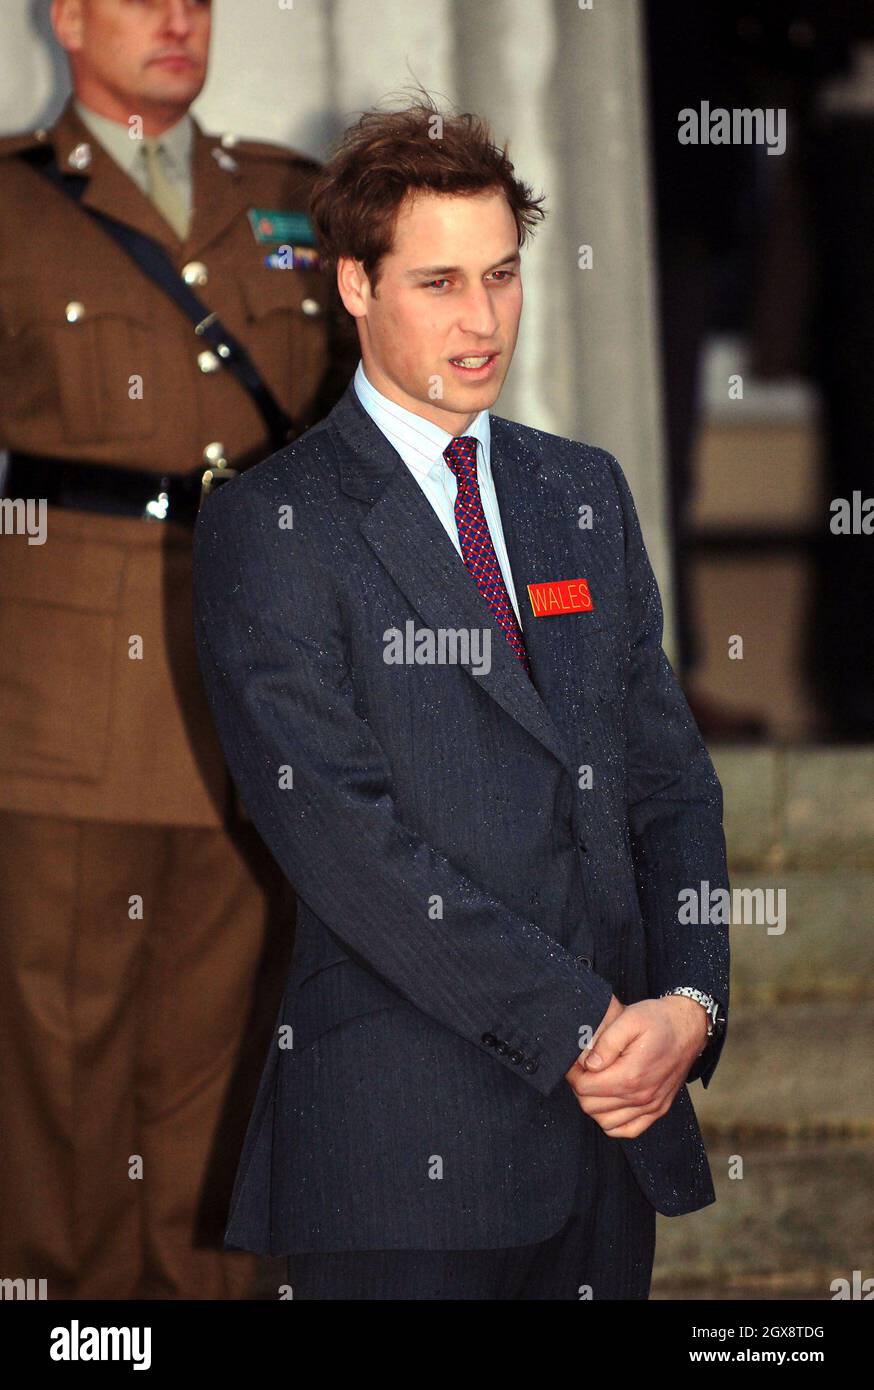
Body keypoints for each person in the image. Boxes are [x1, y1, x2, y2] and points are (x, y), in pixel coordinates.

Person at [192, 99, 731, 1301]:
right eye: (437, 281)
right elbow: (347, 843)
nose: (480, 320)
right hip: (399, 1149)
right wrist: (586, 1028)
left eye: (501, 274)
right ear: (353, 286)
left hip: (609, 1144)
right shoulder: (272, 525)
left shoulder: (581, 489)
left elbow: (669, 780)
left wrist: (691, 999)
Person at [0, 0, 355, 1300]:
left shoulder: (288, 199)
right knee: (56, 1053)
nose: (175, 19)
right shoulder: (15, 204)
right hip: (61, 699)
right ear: (66, 19)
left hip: (255, 680)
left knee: (232, 1034)